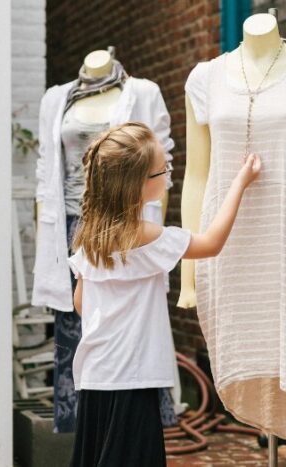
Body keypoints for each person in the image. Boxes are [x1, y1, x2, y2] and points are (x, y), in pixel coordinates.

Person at [67, 122, 261, 466]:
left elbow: (80, 304)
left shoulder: (89, 237)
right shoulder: (148, 235)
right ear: (138, 184)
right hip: (133, 374)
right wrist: (239, 184)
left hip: (96, 374)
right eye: (163, 170)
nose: (168, 176)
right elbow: (212, 243)